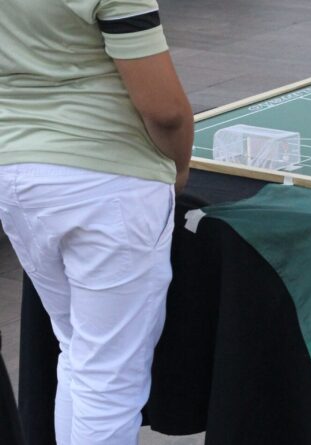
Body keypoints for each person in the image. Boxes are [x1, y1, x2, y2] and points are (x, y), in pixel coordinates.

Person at [0, 0, 193, 443]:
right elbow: (165, 110)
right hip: (108, 177)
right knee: (109, 378)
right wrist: (179, 165)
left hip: (16, 168)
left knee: (80, 352)